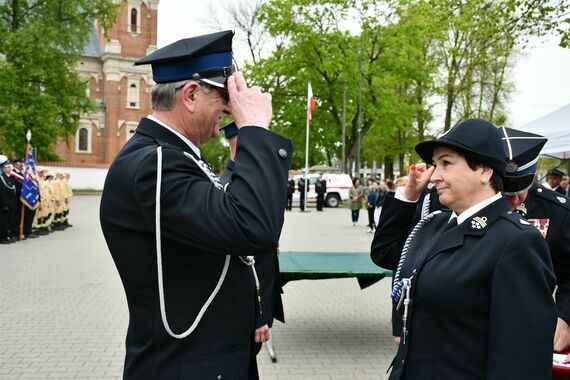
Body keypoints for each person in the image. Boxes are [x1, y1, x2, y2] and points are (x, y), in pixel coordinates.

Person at [99, 30, 292, 380]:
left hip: (201, 360)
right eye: (223, 96)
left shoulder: (171, 157)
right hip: (187, 365)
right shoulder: (156, 164)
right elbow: (253, 228)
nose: (231, 110)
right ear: (190, 95)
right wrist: (255, 132)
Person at [371, 119, 556, 379]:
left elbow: (520, 359)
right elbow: (387, 253)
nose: (434, 176)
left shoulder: (516, 242)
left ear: (484, 170)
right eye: (435, 164)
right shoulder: (433, 225)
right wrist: (407, 197)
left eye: (446, 163)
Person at [220, 122, 285, 354]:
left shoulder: (248, 183)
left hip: (259, 298)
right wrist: (259, 314)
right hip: (248, 307)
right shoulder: (231, 187)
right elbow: (244, 260)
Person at [1, 155, 17, 244]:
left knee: (9, 221)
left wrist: (13, 204)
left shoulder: (9, 177)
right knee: (3, 222)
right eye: (7, 167)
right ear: (3, 168)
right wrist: (4, 205)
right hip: (5, 204)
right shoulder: (1, 178)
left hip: (11, 204)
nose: (10, 168)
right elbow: (2, 193)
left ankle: (7, 236)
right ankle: (2, 238)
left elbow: (12, 191)